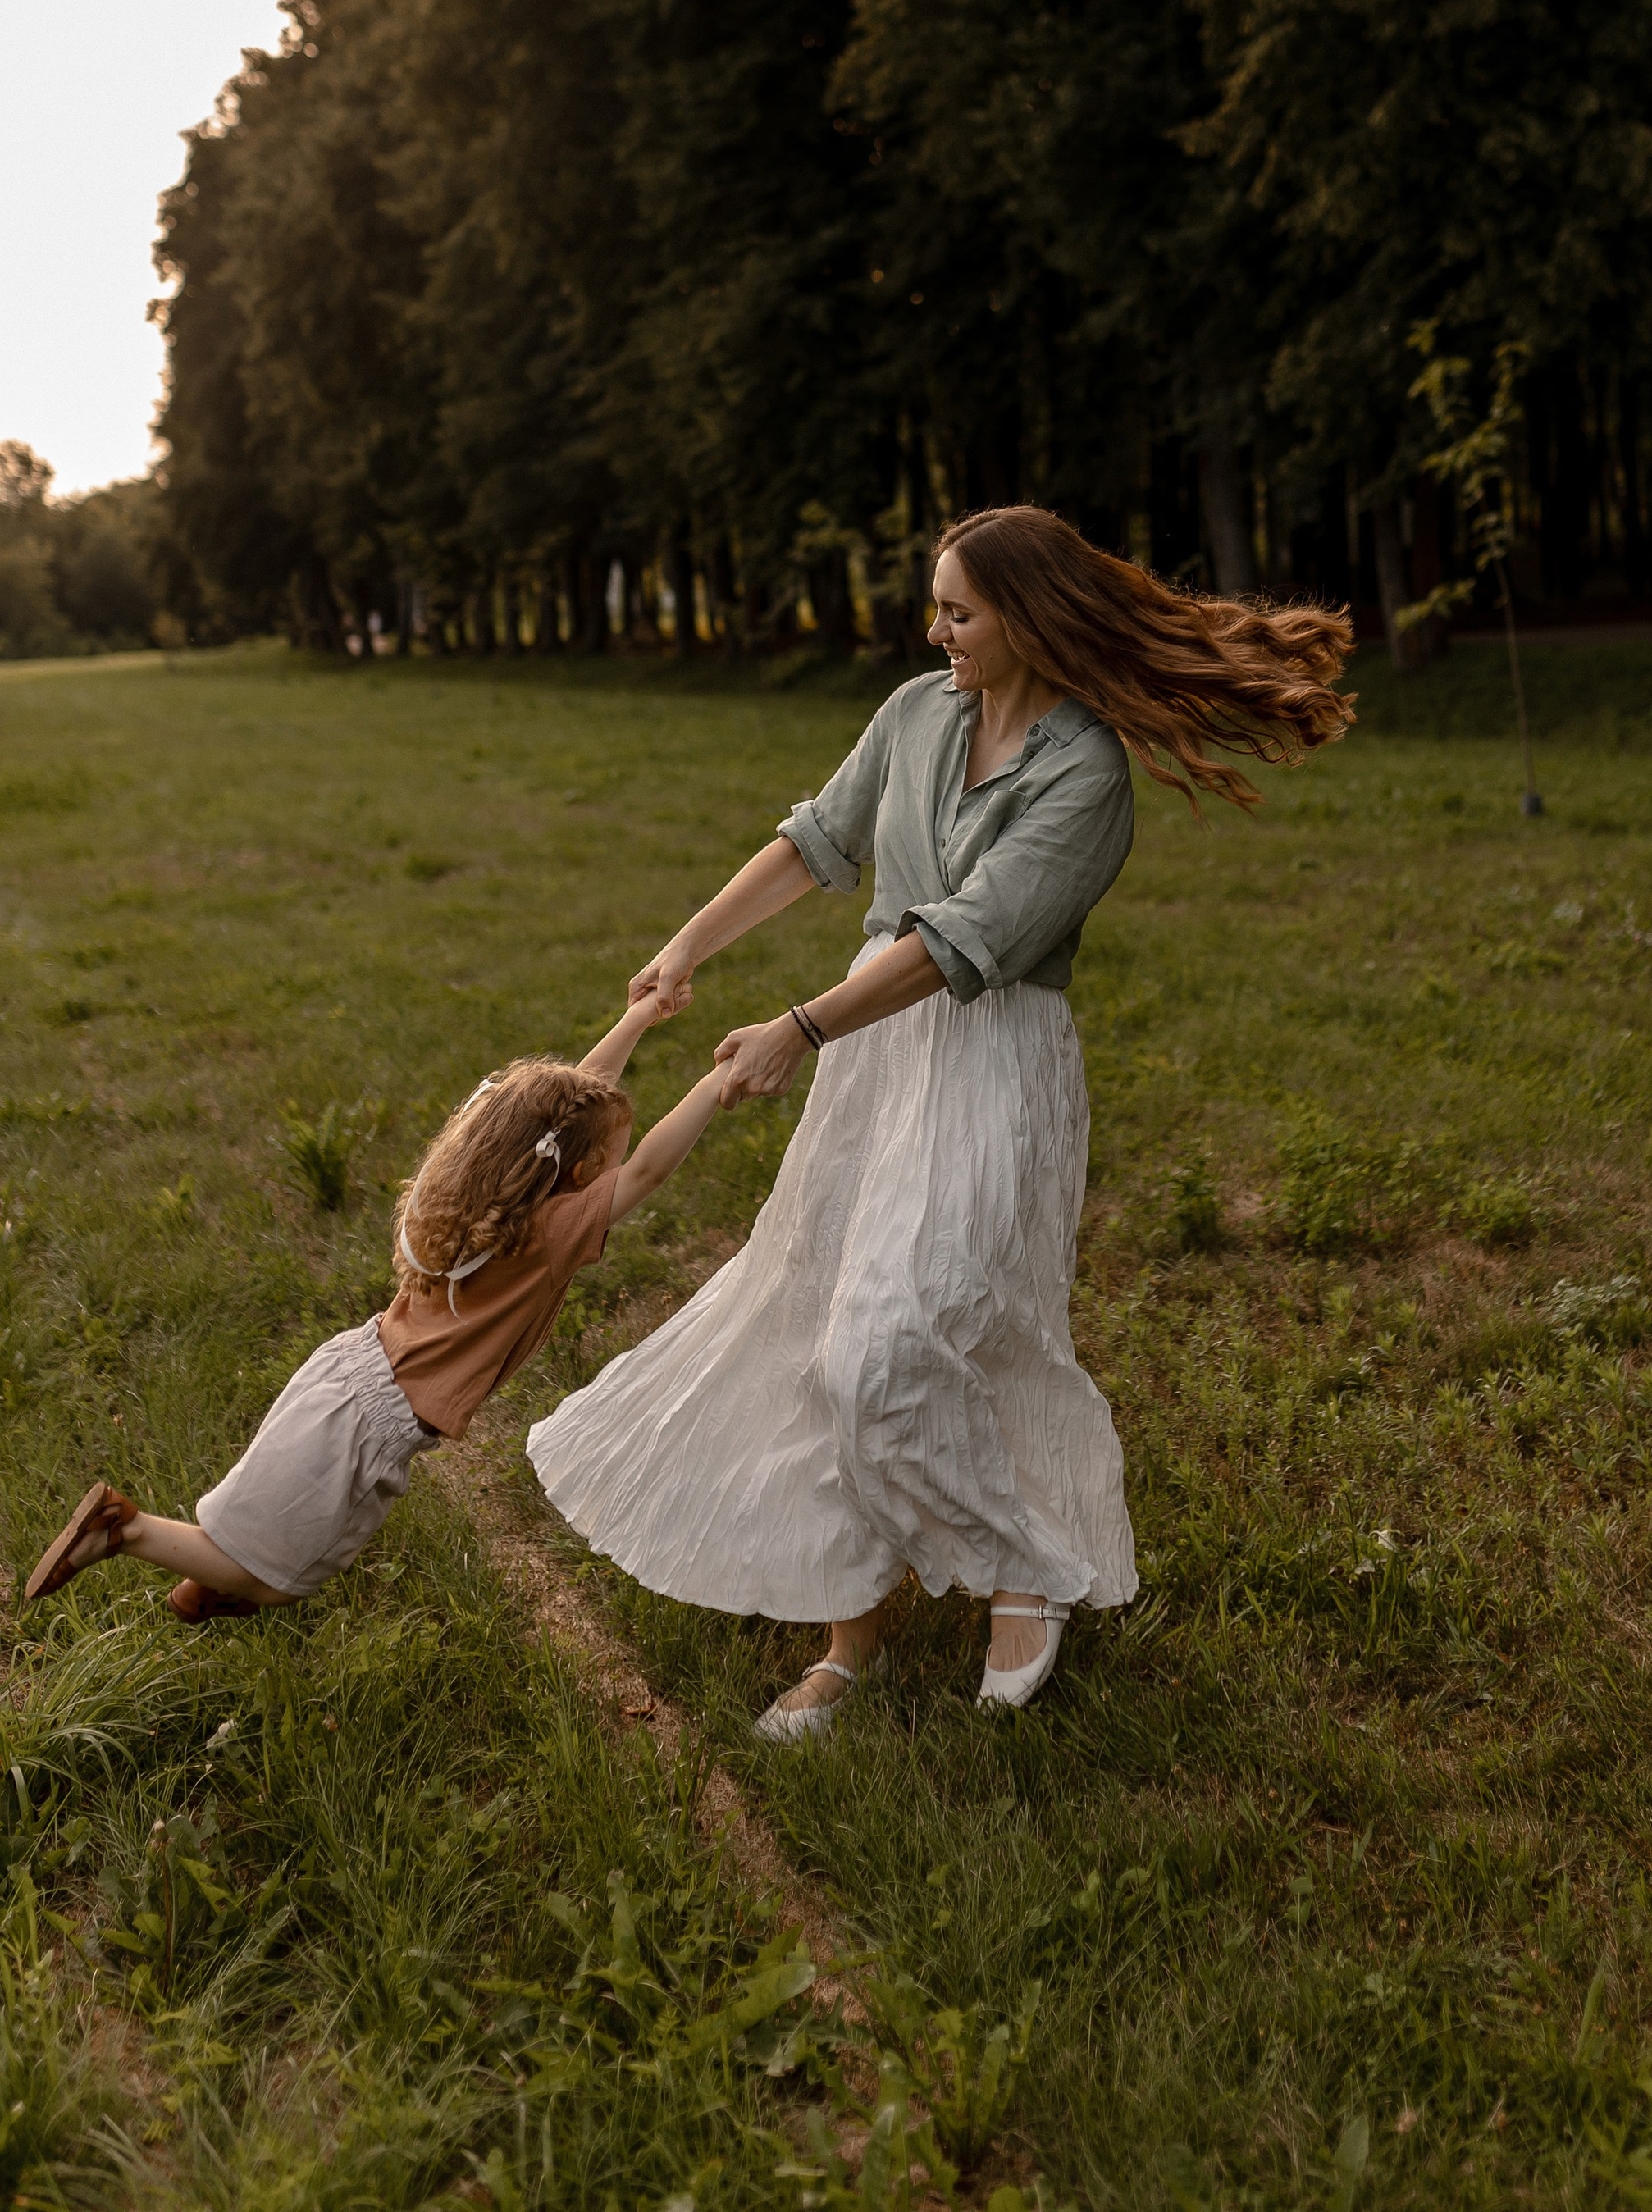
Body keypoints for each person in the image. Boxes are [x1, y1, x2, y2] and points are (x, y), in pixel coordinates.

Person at [527, 502, 1353, 1737]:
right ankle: (847, 1645)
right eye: (940, 607)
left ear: (1025, 617)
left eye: (959, 610)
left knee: (901, 1341)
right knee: (823, 1331)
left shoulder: (1085, 775)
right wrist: (688, 943)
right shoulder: (918, 712)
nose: (936, 628)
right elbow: (819, 842)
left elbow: (962, 941)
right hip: (872, 1058)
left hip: (989, 1060)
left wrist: (798, 1029)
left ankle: (1028, 1564)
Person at [23, 983, 723, 1621]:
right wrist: (722, 1078)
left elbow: (563, 1105)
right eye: (609, 1160)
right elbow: (652, 1166)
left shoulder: (481, 1198)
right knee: (282, 1577)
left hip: (344, 1369)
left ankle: (207, 1578)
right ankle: (127, 1530)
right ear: (579, 1174)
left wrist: (637, 1017)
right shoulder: (549, 1230)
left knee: (264, 1521)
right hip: (375, 1426)